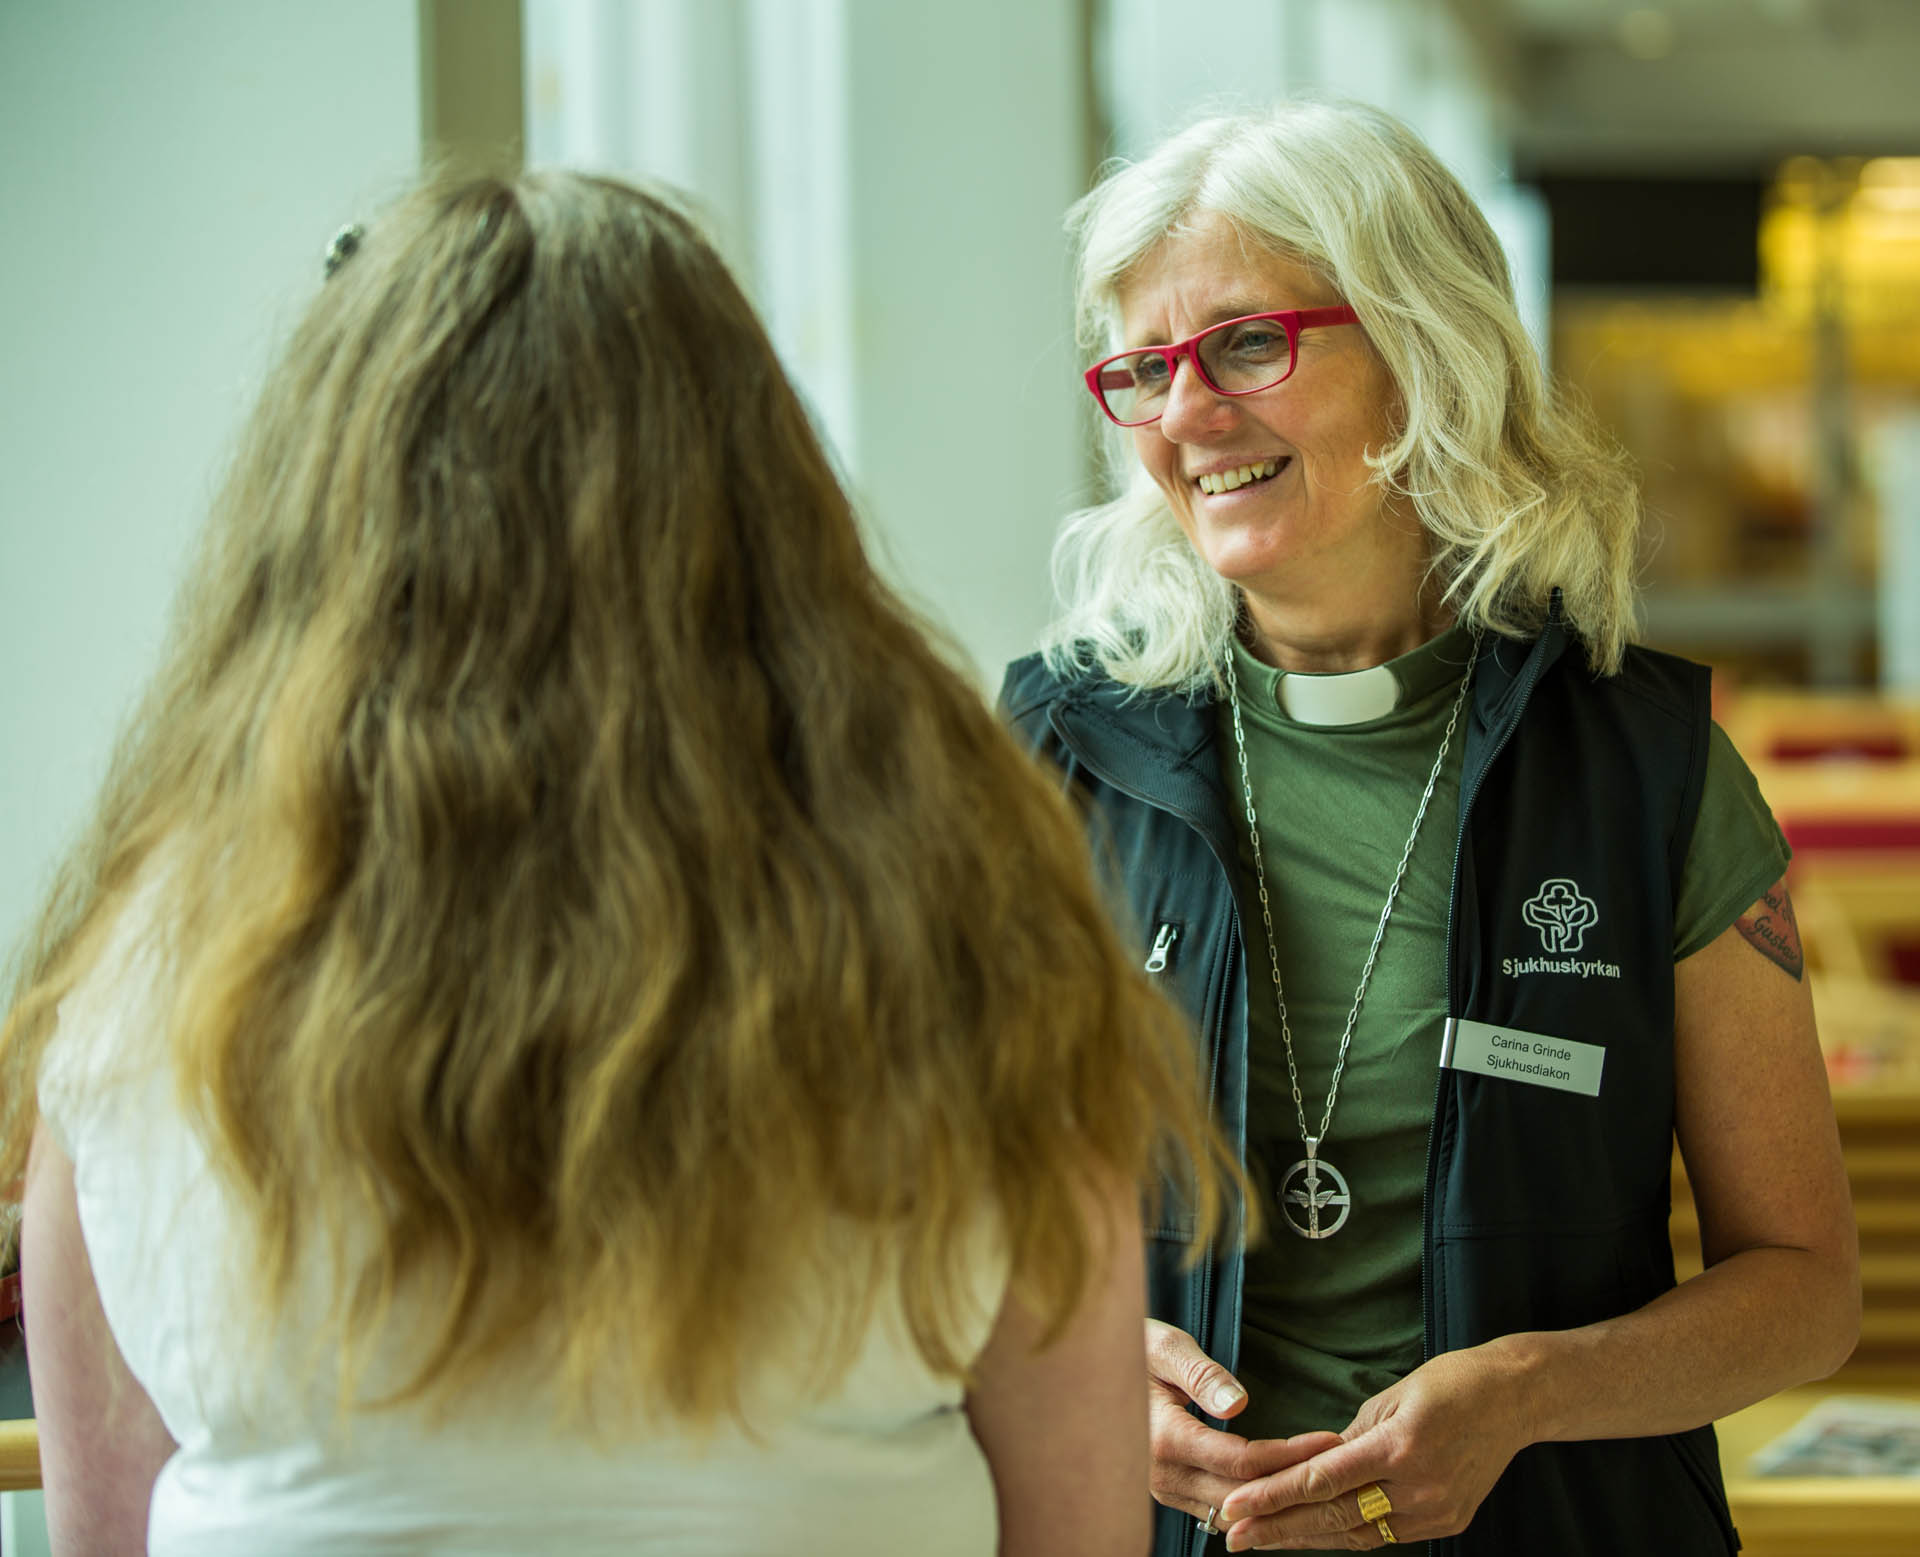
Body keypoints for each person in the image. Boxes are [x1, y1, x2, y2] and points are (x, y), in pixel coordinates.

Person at [0, 171, 1229, 1556]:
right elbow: (1074, 1527)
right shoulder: (967, 940)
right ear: (762, 499)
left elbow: (105, 1532)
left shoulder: (136, 991)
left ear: (316, 519)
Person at [1002, 100, 1860, 1556]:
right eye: (1144, 370)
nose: (1189, 416)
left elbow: (1803, 1283)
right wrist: (1070, 1364)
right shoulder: (1047, 755)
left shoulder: (1646, 766)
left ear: (1421, 348)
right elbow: (924, 1221)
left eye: (1250, 344)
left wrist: (1535, 1387)